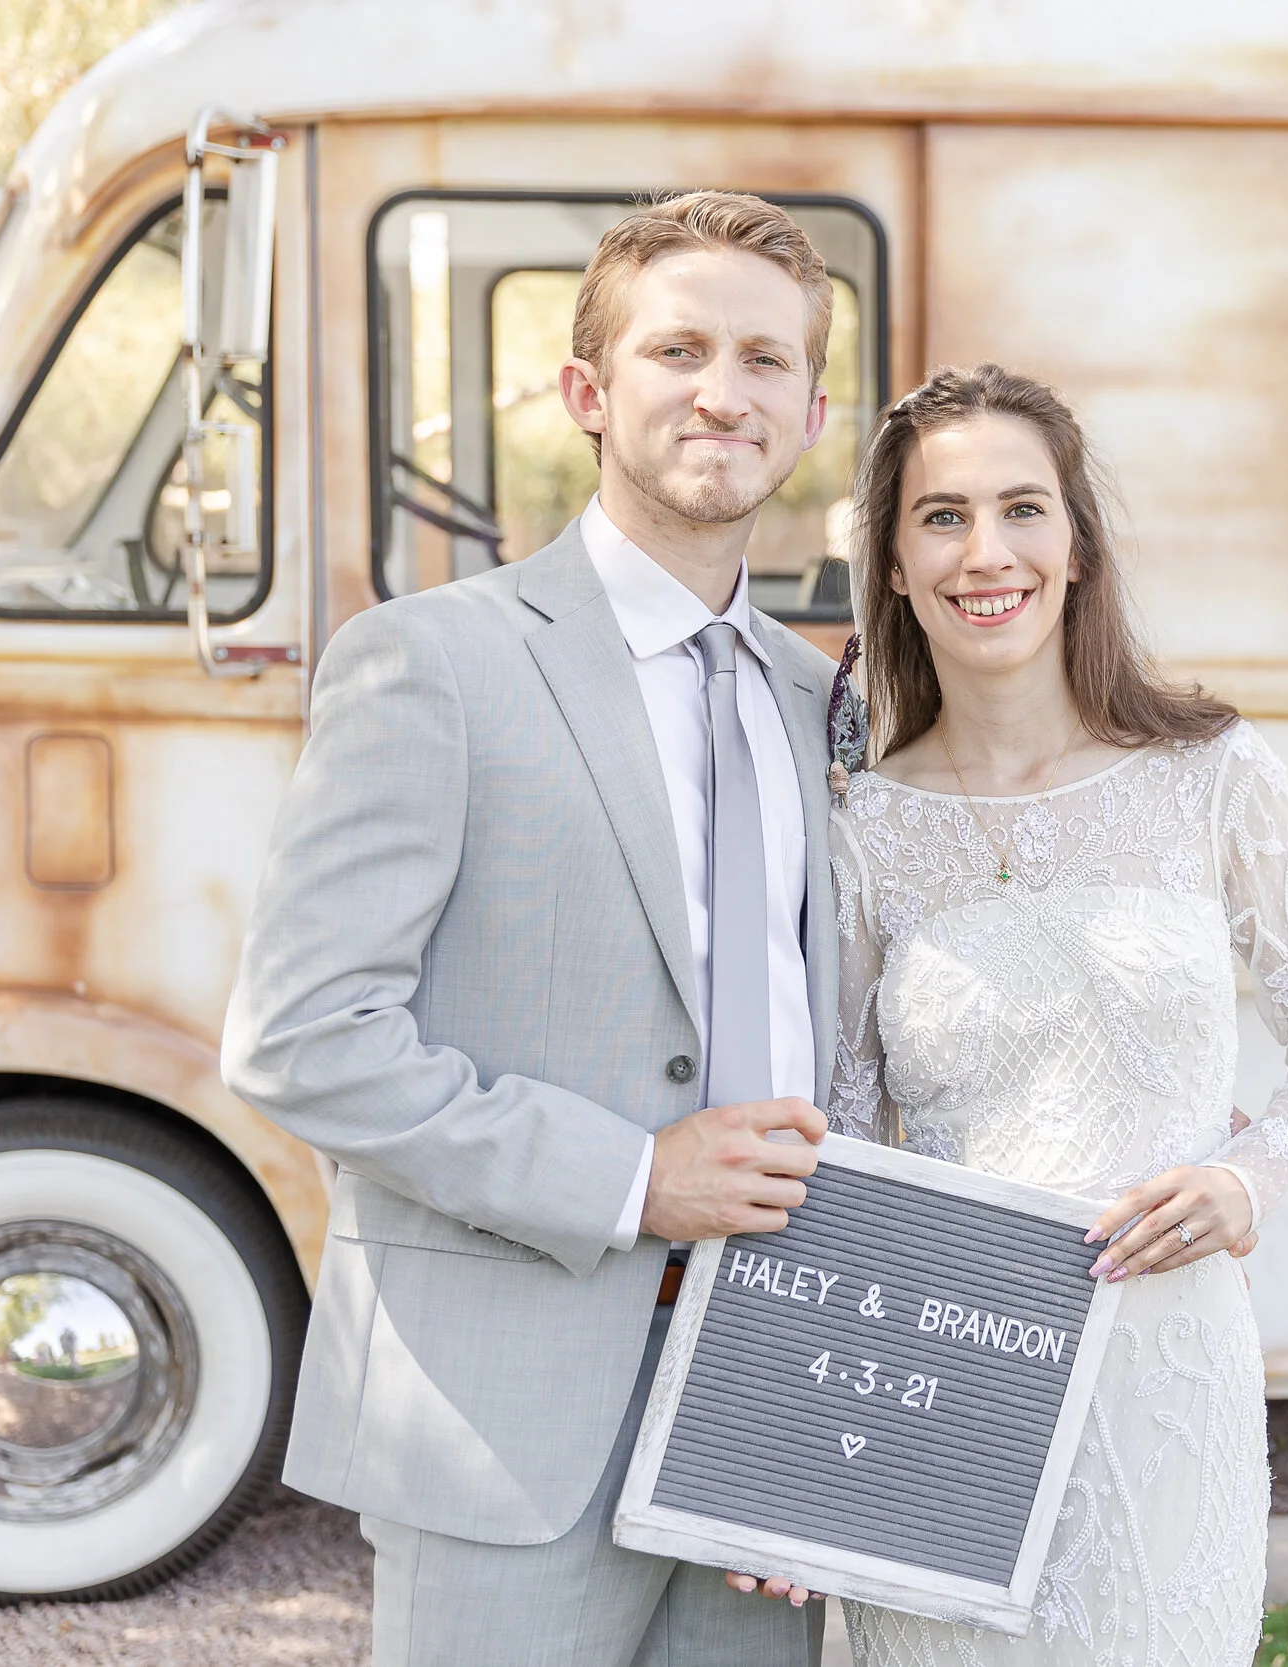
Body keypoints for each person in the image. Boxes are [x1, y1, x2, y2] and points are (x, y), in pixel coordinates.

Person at [222, 191, 844, 1667]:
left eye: (766, 359)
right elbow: (305, 1040)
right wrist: (635, 1177)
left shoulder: (823, 706)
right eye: (677, 347)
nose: (722, 390)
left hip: (765, 1406)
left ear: (812, 413)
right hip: (500, 1421)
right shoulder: (429, 664)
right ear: (587, 391)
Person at [827, 364, 1288, 1666]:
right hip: (943, 1384)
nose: (987, 552)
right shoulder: (866, 827)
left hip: (1164, 1380)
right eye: (941, 517)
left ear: (1077, 543)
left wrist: (1252, 1174)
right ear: (896, 567)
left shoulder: (1209, 774)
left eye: (1022, 508)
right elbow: (850, 1138)